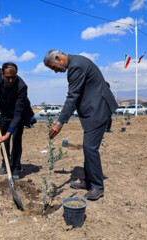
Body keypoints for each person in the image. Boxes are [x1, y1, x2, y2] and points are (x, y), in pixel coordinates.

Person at [43, 50, 118, 200]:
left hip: (98, 110)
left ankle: (97, 186)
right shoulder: (77, 63)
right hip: (95, 110)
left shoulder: (76, 66)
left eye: (54, 67)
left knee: (90, 147)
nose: (56, 71)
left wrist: (60, 122)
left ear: (58, 58)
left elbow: (73, 96)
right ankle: (89, 181)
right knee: (88, 147)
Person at [0, 62, 34, 180]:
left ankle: (16, 166)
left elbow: (18, 115)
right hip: (5, 111)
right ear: (2, 74)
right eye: (8, 77)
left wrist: (8, 133)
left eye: (13, 77)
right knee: (4, 141)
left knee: (16, 140)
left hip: (18, 114)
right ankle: (5, 162)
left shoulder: (22, 86)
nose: (10, 80)